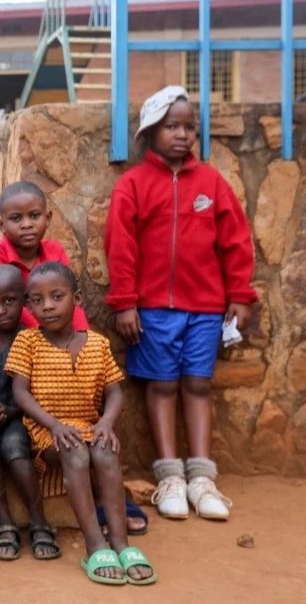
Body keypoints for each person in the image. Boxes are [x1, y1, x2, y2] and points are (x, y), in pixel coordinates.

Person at [106, 85, 257, 522]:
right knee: (162, 386)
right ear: (150, 131)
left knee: (198, 385)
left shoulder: (211, 183)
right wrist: (125, 303)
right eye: (171, 126)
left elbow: (235, 242)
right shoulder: (133, 185)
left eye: (190, 127)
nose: (182, 135)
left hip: (206, 309)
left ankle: (202, 477)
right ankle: (170, 474)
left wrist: (240, 295)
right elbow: (121, 247)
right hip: (152, 310)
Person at [9, 263, 156, 586]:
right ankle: (94, 543)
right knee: (75, 452)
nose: (47, 306)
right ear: (29, 305)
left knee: (104, 452)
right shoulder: (27, 342)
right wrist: (54, 425)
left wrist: (105, 423)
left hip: (89, 424)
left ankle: (120, 543)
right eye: (37, 300)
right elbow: (20, 393)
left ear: (76, 298)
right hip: (46, 430)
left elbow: (114, 391)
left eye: (56, 296)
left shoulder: (98, 344)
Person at [0, 265, 58, 561]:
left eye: (9, 301)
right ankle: (4, 521)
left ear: (24, 300)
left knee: (15, 446)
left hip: (19, 417)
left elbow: (40, 394)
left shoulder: (35, 341)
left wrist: (11, 410)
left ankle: (38, 519)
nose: (1, 311)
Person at [0, 181, 88, 330]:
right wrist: (47, 339)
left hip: (50, 334)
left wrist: (83, 336)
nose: (27, 225)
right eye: (16, 218)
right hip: (5, 337)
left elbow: (69, 300)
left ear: (47, 218)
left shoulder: (55, 251)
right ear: (1, 224)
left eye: (34, 216)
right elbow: (13, 308)